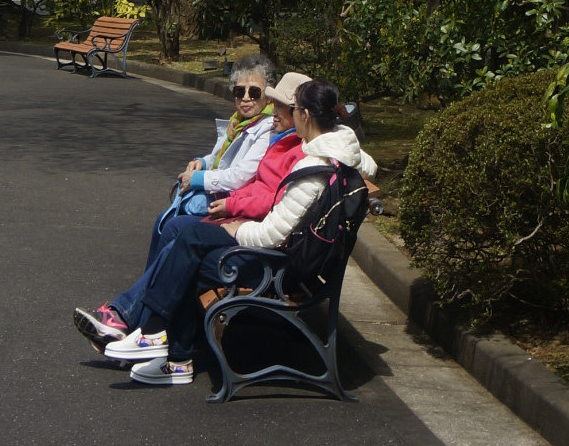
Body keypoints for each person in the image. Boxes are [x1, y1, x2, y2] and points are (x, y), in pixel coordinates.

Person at [103, 78, 376, 385]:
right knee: (188, 237)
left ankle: (165, 345)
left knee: (188, 252)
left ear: (307, 116)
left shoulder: (312, 169)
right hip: (290, 255)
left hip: (279, 266)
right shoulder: (335, 149)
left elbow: (270, 235)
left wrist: (237, 227)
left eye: (293, 107)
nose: (279, 111)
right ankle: (161, 343)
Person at [72, 54, 285, 346]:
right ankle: (136, 322)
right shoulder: (240, 123)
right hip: (229, 208)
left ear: (270, 97)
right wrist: (199, 162)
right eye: (239, 91)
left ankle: (134, 322)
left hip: (235, 215)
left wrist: (199, 182)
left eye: (254, 92)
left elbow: (242, 178)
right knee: (167, 224)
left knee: (176, 234)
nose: (246, 98)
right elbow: (220, 159)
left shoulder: (268, 131)